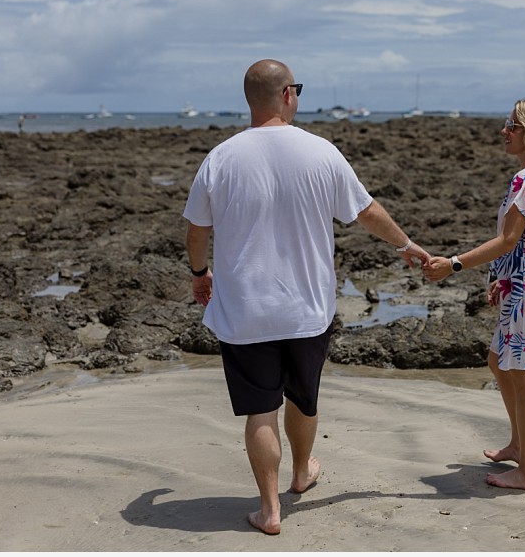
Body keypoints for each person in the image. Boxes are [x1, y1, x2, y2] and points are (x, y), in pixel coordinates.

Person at [183, 59, 429, 535]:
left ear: (250, 98)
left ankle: (270, 510)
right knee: (303, 399)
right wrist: (407, 245)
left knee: (260, 409)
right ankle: (300, 474)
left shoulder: (220, 157)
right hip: (307, 310)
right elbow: (367, 212)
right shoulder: (322, 153)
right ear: (288, 94)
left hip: (245, 310)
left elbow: (197, 229)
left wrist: (199, 273)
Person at [423, 98, 525, 491]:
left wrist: (453, 263)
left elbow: (507, 240)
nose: (504, 131)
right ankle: (519, 443)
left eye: (513, 125)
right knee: (498, 361)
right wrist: (503, 279)